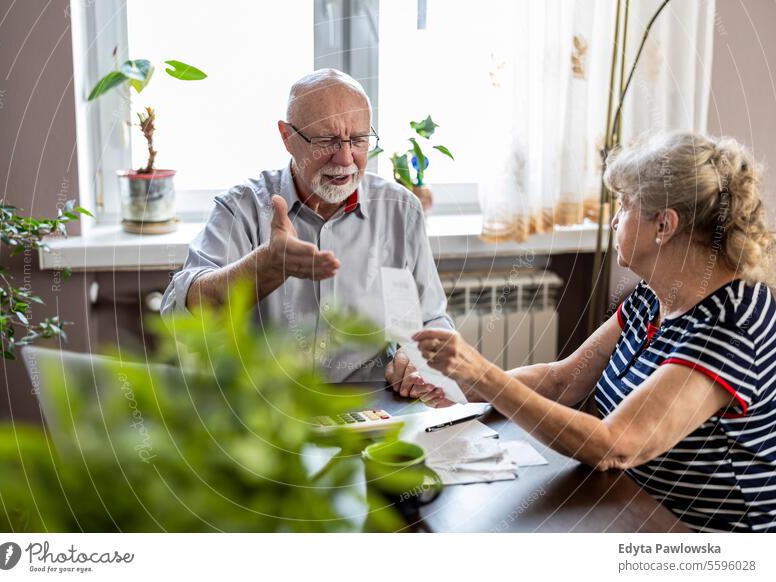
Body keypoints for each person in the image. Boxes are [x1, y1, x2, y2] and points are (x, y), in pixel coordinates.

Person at [412, 132, 776, 532]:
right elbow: (562, 379)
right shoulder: (654, 295)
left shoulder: (732, 322)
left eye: (625, 204)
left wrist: (482, 374)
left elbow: (615, 444)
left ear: (664, 225)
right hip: (631, 504)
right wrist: (449, 387)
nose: (615, 218)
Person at [161, 68, 453, 386]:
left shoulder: (401, 209)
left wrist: (415, 359)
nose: (345, 158)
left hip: (374, 408)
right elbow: (178, 311)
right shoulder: (242, 207)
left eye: (358, 140)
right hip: (265, 410)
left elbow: (433, 319)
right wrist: (265, 266)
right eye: (327, 140)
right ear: (287, 137)